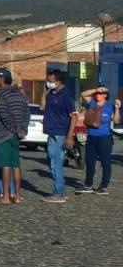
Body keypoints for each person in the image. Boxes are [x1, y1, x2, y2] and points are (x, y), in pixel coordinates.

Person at [0, 68, 29, 205]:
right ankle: (17, 196)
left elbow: (4, 115)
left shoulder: (0, 94)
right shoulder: (20, 95)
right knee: (16, 165)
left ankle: (6, 197)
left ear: (2, 79)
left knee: (5, 165)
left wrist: (15, 129)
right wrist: (22, 130)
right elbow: (27, 113)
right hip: (17, 135)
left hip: (4, 134)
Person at [75, 86, 120, 195]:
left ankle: (103, 187)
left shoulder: (110, 107)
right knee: (90, 162)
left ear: (105, 95)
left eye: (100, 93)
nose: (97, 95)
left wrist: (118, 108)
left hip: (104, 138)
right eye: (97, 93)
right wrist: (96, 89)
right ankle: (88, 185)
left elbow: (117, 121)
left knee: (105, 163)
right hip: (91, 137)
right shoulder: (92, 103)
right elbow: (84, 93)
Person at [39, 69, 75, 203]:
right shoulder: (51, 93)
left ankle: (58, 193)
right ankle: (60, 190)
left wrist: (70, 136)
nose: (48, 83)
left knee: (56, 164)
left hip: (60, 133)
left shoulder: (67, 95)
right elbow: (42, 107)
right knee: (52, 162)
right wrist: (45, 90)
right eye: (47, 81)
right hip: (51, 131)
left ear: (59, 81)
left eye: (51, 81)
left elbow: (74, 116)